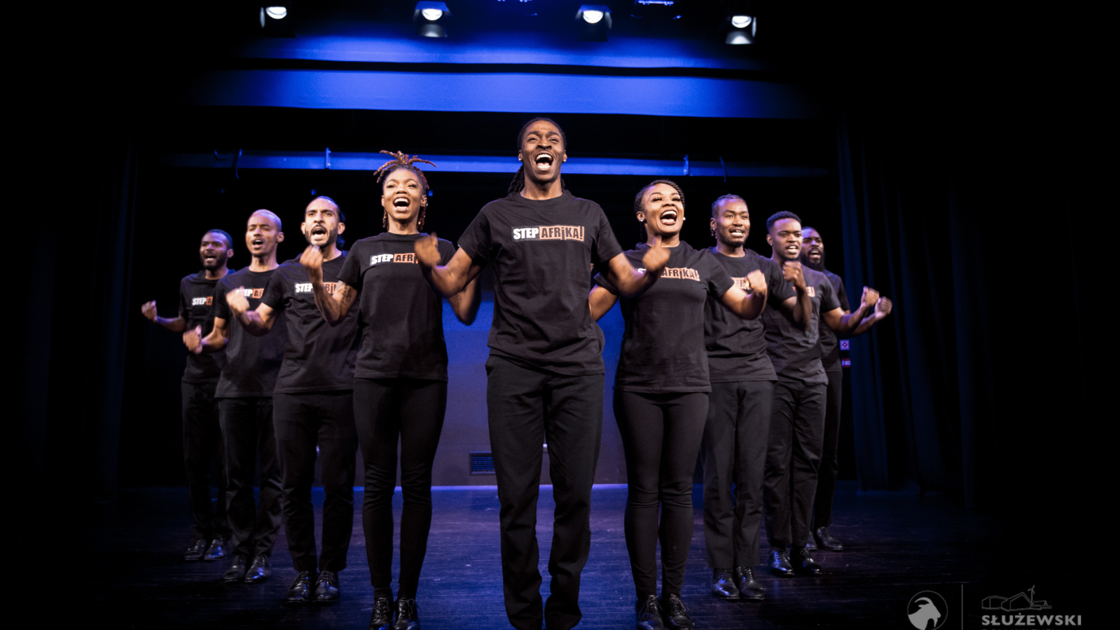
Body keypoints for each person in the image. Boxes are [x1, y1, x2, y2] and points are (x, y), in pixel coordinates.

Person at [413, 119, 666, 630]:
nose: (544, 144)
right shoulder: (496, 214)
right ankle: (525, 613)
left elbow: (625, 282)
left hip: (577, 369)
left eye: (553, 140)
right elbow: (453, 280)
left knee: (576, 496)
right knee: (516, 498)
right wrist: (428, 265)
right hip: (514, 367)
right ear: (522, 157)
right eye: (533, 139)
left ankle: (564, 608)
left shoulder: (588, 213)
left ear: (564, 157)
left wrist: (653, 268)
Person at [306, 152, 479, 630]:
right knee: (378, 486)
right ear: (383, 199)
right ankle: (381, 596)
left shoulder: (443, 247)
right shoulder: (363, 249)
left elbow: (465, 312)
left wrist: (469, 268)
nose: (402, 190)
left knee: (417, 485)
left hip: (426, 378)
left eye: (412, 185)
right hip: (374, 377)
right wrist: (318, 279)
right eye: (393, 186)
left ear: (424, 198)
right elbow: (335, 313)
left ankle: (407, 598)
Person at [589, 181, 767, 630]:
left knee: (679, 491)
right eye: (657, 199)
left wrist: (760, 295)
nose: (669, 204)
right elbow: (586, 311)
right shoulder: (626, 259)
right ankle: (646, 599)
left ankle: (673, 596)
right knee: (644, 491)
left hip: (691, 386)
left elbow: (744, 308)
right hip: (639, 387)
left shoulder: (703, 261)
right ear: (641, 215)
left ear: (684, 216)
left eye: (676, 201)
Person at [223, 197, 360, 606]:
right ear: (303, 228)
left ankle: (330, 571)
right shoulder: (285, 272)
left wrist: (318, 279)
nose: (319, 219)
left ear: (340, 227)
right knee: (294, 487)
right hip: (292, 390)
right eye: (312, 215)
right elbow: (262, 323)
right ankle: (304, 571)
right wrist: (242, 313)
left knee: (337, 487)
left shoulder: (353, 266)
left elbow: (344, 315)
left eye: (327, 214)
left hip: (341, 388)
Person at [760, 212, 891, 578]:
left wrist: (866, 310)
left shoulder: (821, 280)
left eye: (797, 233)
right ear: (770, 239)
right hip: (775, 379)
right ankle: (778, 547)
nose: (793, 239)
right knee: (777, 465)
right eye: (786, 234)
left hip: (814, 379)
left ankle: (801, 545)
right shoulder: (760, 272)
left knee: (809, 463)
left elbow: (839, 324)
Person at [699, 195, 801, 602]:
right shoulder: (703, 262)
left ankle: (746, 566)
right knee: (718, 479)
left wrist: (802, 290)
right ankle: (722, 569)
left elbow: (798, 316)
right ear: (714, 224)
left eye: (743, 215)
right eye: (729, 215)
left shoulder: (765, 266)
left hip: (759, 376)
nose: (738, 221)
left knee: (752, 478)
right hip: (715, 376)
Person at [193, 210, 287, 585]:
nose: (256, 233)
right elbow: (220, 335)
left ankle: (262, 554)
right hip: (234, 389)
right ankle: (241, 552)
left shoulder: (287, 277)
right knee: (236, 479)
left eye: (264, 228)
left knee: (274, 480)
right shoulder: (229, 283)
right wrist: (201, 343)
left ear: (279, 236)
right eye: (251, 228)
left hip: (277, 389)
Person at [141, 230, 234, 562]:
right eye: (205, 244)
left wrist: (204, 343)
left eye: (216, 244)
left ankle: (223, 534)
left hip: (227, 382)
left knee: (227, 464)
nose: (209, 248)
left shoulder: (236, 284)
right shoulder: (188, 284)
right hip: (194, 381)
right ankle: (201, 532)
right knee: (195, 461)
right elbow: (184, 323)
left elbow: (230, 333)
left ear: (229, 253)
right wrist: (158, 320)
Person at [799, 226, 887, 552]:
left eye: (819, 240)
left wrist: (872, 315)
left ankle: (821, 526)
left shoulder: (832, 280)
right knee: (800, 454)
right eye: (808, 240)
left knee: (828, 455)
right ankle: (798, 529)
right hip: (793, 370)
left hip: (829, 367)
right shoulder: (783, 276)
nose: (815, 244)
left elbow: (845, 326)